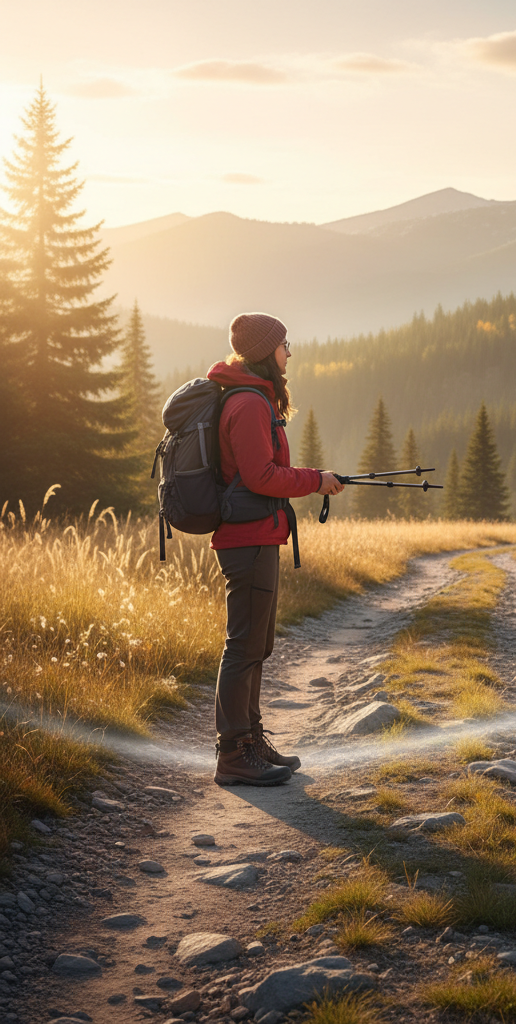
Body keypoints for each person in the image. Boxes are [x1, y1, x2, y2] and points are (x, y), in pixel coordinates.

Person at [208, 312, 344, 786]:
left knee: (257, 645)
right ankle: (233, 753)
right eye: (286, 345)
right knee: (243, 646)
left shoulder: (255, 397)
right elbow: (259, 476)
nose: (290, 354)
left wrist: (314, 478)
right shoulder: (247, 403)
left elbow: (262, 470)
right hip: (246, 539)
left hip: (260, 535)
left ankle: (250, 740)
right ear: (268, 351)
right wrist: (316, 481)